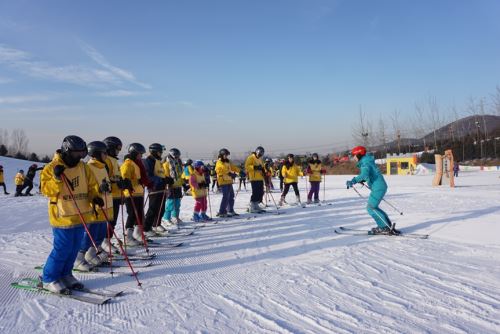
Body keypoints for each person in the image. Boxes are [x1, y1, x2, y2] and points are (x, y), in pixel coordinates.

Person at [40, 135, 101, 293]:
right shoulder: (52, 167)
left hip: (81, 214)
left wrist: (95, 197)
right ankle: (49, 278)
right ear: (67, 151)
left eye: (82, 154)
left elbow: (92, 185)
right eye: (76, 154)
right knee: (62, 248)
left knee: (74, 248)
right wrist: (56, 177)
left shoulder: (83, 167)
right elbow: (45, 190)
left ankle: (66, 274)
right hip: (63, 216)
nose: (79, 157)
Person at [74, 141, 112, 271]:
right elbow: (87, 187)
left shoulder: (103, 166)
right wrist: (99, 189)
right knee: (91, 232)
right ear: (96, 154)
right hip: (94, 207)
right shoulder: (89, 167)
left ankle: (90, 254)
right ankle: (79, 256)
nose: (106, 155)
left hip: (105, 205)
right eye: (104, 153)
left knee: (100, 233)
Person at [346, 146, 398, 235]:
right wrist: (364, 179)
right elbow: (368, 174)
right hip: (379, 186)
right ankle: (387, 226)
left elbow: (364, 174)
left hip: (378, 187)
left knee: (371, 208)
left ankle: (384, 227)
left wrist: (353, 181)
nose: (353, 158)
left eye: (354, 155)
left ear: (359, 154)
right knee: (374, 207)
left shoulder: (365, 163)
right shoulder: (367, 161)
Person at [102, 136, 127, 253]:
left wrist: (121, 183)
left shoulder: (114, 160)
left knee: (113, 220)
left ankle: (107, 240)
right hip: (109, 196)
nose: (118, 152)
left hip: (116, 195)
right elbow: (105, 178)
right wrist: (115, 182)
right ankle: (103, 241)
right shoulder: (106, 160)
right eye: (116, 149)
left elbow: (116, 176)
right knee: (108, 220)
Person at [120, 143, 148, 245]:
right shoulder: (128, 164)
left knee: (139, 214)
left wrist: (141, 182)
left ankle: (137, 233)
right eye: (140, 154)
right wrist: (137, 182)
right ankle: (128, 236)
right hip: (130, 194)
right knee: (132, 214)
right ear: (135, 153)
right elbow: (125, 179)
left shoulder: (137, 163)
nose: (141, 156)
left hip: (138, 192)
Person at [143, 143, 173, 234]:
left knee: (161, 208)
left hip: (161, 188)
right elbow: (149, 176)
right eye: (160, 152)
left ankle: (156, 224)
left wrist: (167, 179)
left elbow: (160, 173)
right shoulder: (149, 161)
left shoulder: (158, 161)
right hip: (154, 188)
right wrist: (162, 180)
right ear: (154, 152)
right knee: (153, 209)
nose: (161, 154)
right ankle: (146, 228)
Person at [161, 148, 185, 226]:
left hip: (178, 185)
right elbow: (166, 175)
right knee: (170, 203)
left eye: (178, 155)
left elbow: (180, 174)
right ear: (172, 155)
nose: (178, 157)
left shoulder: (178, 163)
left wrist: (183, 183)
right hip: (171, 186)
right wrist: (168, 183)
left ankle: (175, 216)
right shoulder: (166, 164)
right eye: (176, 155)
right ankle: (166, 218)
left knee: (177, 203)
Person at [215, 148, 240, 217]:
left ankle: (230, 210)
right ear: (222, 154)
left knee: (231, 196)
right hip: (223, 181)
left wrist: (240, 171)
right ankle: (222, 211)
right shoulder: (219, 162)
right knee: (225, 196)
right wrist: (229, 173)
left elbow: (233, 167)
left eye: (227, 155)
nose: (226, 156)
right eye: (225, 155)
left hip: (229, 180)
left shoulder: (227, 161)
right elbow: (220, 170)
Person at [245, 146, 267, 213]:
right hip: (254, 178)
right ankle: (252, 206)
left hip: (260, 177)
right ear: (257, 152)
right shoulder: (251, 157)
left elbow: (262, 166)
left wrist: (264, 171)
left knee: (261, 192)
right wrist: (255, 167)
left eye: (261, 154)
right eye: (260, 153)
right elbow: (247, 166)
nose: (260, 155)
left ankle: (256, 204)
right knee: (255, 192)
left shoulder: (260, 159)